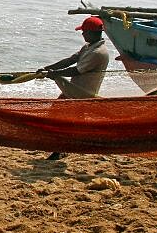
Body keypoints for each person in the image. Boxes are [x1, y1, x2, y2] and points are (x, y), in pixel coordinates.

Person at [37, 15, 111, 160]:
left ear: (91, 33)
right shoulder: (89, 47)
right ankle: (64, 148)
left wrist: (54, 74)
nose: (82, 34)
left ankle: (62, 150)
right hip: (73, 91)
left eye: (84, 32)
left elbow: (76, 70)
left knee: (64, 120)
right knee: (63, 118)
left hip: (82, 94)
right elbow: (70, 60)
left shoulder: (98, 53)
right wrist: (47, 68)